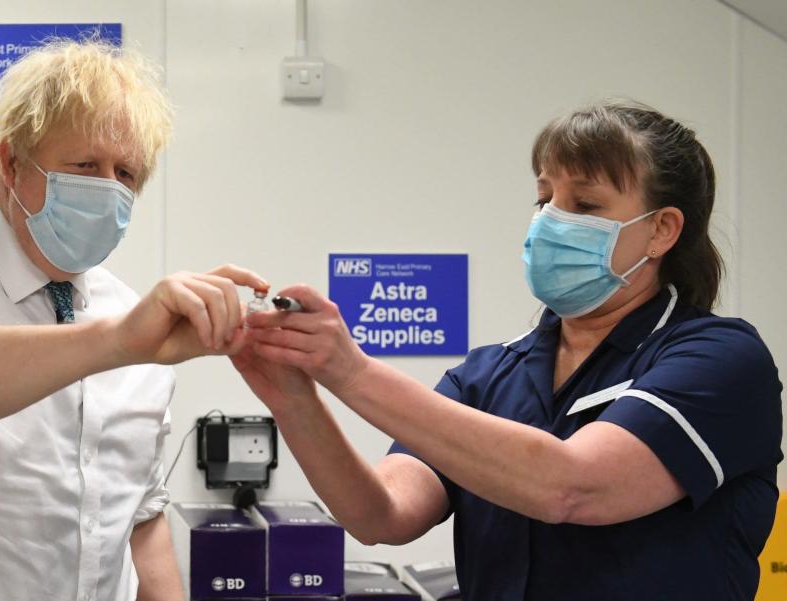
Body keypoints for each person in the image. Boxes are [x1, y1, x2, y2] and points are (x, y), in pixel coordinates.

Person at [234, 100, 784, 600]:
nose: (550, 223)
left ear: (662, 230)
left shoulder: (720, 360)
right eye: (545, 200)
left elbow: (572, 486)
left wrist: (350, 370)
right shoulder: (488, 374)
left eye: (584, 204)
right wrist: (294, 395)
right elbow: (382, 515)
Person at [0, 39, 264, 601]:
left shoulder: (130, 319)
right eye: (85, 166)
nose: (108, 189)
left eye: (125, 174)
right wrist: (118, 342)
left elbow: (139, 516)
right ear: (11, 164)